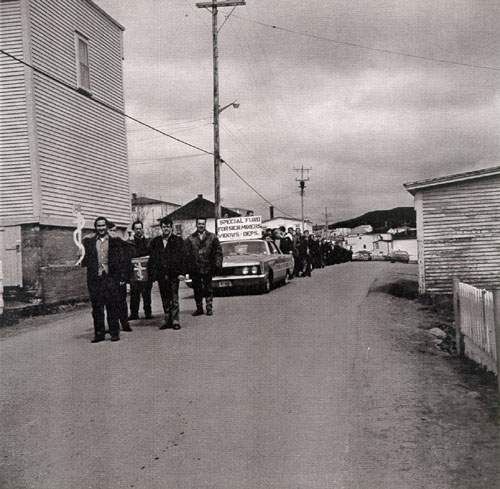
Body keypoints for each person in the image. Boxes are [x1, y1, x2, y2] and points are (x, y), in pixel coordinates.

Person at [81, 216, 128, 343]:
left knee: (112, 306)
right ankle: (99, 334)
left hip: (110, 278)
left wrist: (121, 277)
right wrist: (80, 255)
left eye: (103, 225)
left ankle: (114, 333)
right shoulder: (89, 242)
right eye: (98, 226)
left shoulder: (115, 241)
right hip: (95, 279)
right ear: (95, 228)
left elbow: (121, 260)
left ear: (107, 227)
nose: (101, 228)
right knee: (97, 308)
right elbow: (85, 261)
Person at [148, 217, 186, 330]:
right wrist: (152, 274)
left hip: (174, 274)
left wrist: (182, 273)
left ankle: (175, 320)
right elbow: (152, 259)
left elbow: (183, 258)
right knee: (164, 298)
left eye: (168, 227)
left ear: (171, 228)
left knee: (174, 298)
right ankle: (167, 319)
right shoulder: (156, 242)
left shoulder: (178, 241)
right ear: (161, 228)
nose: (166, 229)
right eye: (164, 227)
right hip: (161, 275)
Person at [185, 217, 223, 316]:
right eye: (199, 224)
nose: (201, 226)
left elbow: (218, 252)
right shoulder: (190, 238)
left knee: (208, 288)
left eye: (202, 224)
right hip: (195, 268)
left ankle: (209, 307)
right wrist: (188, 268)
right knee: (197, 289)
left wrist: (217, 264)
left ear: (205, 225)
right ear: (196, 225)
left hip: (208, 267)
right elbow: (186, 254)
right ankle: (199, 308)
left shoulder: (212, 237)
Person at [128, 220, 153, 320]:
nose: (138, 230)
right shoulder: (129, 244)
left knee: (147, 293)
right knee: (134, 294)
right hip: (134, 271)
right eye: (136, 229)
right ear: (133, 230)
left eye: (140, 228)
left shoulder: (148, 242)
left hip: (146, 271)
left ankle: (148, 312)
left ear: (143, 229)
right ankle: (134, 313)